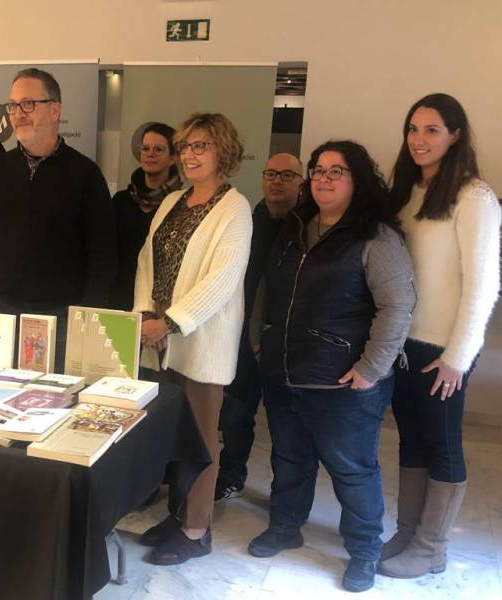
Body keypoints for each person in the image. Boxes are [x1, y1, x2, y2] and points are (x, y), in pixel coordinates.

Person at [247, 140, 416, 592]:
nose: (323, 178)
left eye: (335, 172)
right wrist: (258, 338)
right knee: (289, 458)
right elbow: (266, 285)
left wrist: (372, 368)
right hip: (284, 372)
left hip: (343, 383)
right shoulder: (294, 226)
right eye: (318, 170)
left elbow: (397, 306)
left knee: (352, 471)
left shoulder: (375, 237)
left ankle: (363, 551)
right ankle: (284, 527)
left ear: (357, 180)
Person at [379, 94, 501, 579]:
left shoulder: (474, 197)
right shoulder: (408, 193)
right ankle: (408, 532)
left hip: (444, 348)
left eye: (431, 129)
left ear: (455, 135)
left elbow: (483, 285)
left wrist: (458, 356)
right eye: (413, 128)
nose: (419, 139)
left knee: (443, 443)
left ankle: (432, 547)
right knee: (411, 439)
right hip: (404, 343)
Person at [133, 112, 252, 565]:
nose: (189, 154)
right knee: (171, 436)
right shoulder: (173, 202)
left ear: (223, 150)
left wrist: (172, 322)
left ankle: (197, 529)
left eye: (200, 145)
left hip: (200, 343)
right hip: (160, 339)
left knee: (201, 441)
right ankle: (176, 516)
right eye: (185, 146)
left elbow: (223, 278)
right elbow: (147, 261)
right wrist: (147, 314)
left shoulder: (234, 207)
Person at [0, 68, 116, 371]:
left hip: (62, 316)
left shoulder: (85, 175)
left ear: (55, 109)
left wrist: (86, 316)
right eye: (13, 105)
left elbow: (103, 253)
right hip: (3, 314)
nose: (18, 113)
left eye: (28, 104)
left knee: (54, 404)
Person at [215, 152, 303, 502]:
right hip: (242, 337)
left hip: (286, 341)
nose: (276, 180)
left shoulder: (308, 227)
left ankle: (285, 497)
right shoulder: (246, 222)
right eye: (270, 173)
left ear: (300, 181)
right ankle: (231, 475)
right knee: (235, 415)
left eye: (286, 174)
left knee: (285, 424)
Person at [110, 122, 182, 310]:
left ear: (173, 157)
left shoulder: (180, 204)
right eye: (146, 148)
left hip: (158, 305)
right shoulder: (120, 201)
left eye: (159, 149)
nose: (150, 154)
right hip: (118, 298)